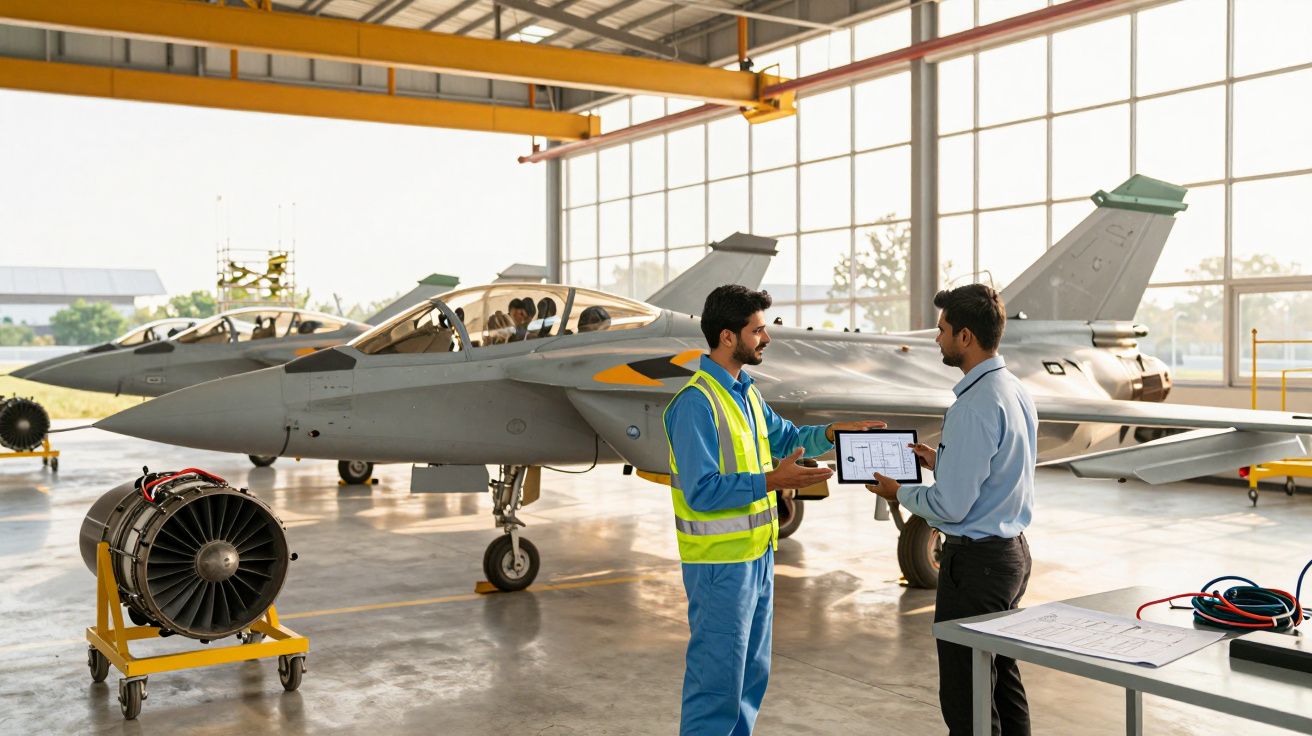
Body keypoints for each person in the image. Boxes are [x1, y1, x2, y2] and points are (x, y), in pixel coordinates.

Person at [664, 284, 885, 735]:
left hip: (758, 557)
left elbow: (786, 438)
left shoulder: (746, 393)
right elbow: (702, 491)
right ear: (728, 337)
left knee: (750, 677)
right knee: (716, 686)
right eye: (758, 330)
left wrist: (833, 433)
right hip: (720, 565)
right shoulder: (695, 404)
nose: (766, 338)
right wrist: (773, 481)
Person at [865, 284, 1037, 736]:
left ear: (965, 336)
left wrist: (898, 491)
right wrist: (939, 460)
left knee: (967, 697)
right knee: (1002, 682)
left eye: (942, 329)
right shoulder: (1013, 389)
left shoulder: (973, 406)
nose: (936, 338)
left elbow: (950, 506)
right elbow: (996, 469)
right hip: (1011, 555)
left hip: (976, 567)